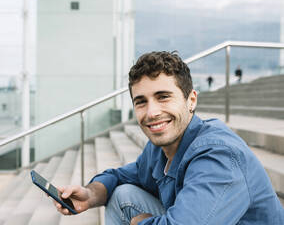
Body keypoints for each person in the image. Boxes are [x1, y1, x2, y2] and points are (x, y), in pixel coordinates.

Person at [53, 51, 284, 224]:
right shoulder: (161, 147)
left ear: (191, 100)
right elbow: (121, 177)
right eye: (141, 101)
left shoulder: (219, 155)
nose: (152, 112)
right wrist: (90, 194)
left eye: (163, 97)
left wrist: (138, 222)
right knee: (123, 195)